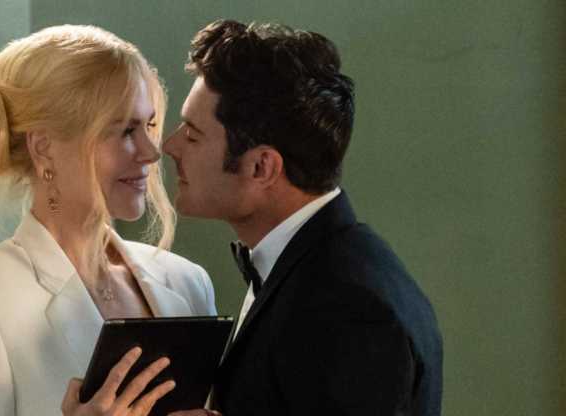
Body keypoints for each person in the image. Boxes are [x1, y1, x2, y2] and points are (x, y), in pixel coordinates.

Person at [164, 20, 443, 415]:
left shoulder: (348, 306)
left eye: (192, 135)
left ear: (262, 167)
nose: (170, 146)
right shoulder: (314, 270)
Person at [0, 25, 217, 416]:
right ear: (44, 148)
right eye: (125, 130)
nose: (151, 152)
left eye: (148, 125)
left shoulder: (189, 282)